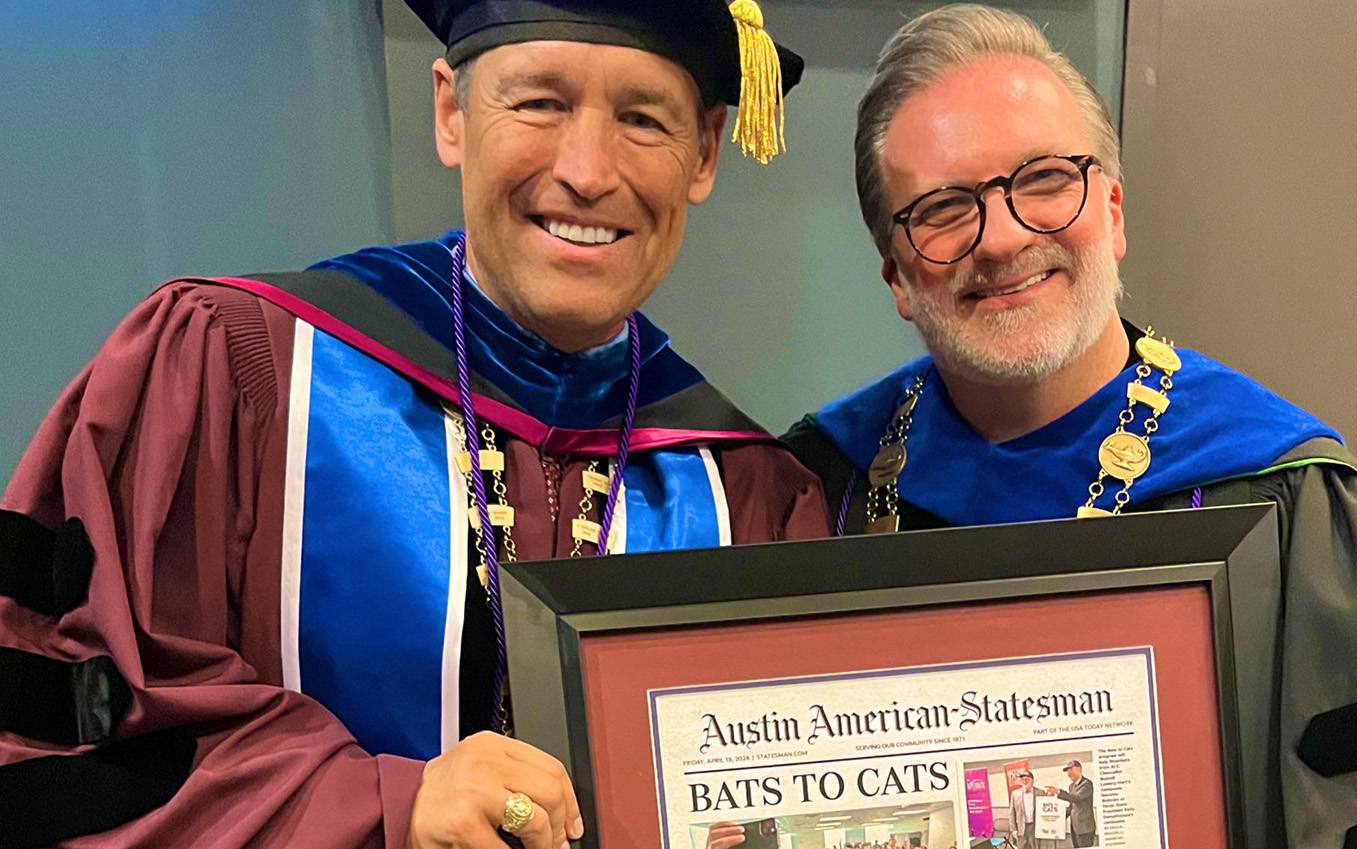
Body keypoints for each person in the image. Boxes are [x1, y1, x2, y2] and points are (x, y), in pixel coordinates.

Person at [0, 2, 827, 848]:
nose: (587, 171)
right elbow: (84, 723)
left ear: (705, 152)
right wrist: (383, 805)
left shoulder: (753, 491)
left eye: (643, 119)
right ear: (450, 113)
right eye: (539, 102)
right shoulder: (236, 368)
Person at [782, 4, 1357, 848]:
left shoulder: (1295, 503)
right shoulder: (818, 482)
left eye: (1045, 178)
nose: (1005, 235)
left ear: (1114, 212)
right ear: (897, 276)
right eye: (944, 207)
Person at [1044, 762, 1095, 847]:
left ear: (1080, 769)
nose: (1069, 773)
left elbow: (1076, 798)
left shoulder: (1087, 784)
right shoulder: (1071, 786)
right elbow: (1071, 806)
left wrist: (1058, 791)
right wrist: (1056, 818)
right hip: (1075, 828)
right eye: (1068, 771)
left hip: (1085, 828)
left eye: (1071, 769)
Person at [1003, 771, 1046, 849]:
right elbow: (1012, 813)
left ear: (1032, 780)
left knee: (1035, 847)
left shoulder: (1041, 793)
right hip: (1021, 828)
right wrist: (1013, 830)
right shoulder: (1015, 794)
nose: (1025, 781)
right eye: (1023, 780)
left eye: (1027, 779)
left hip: (1035, 827)